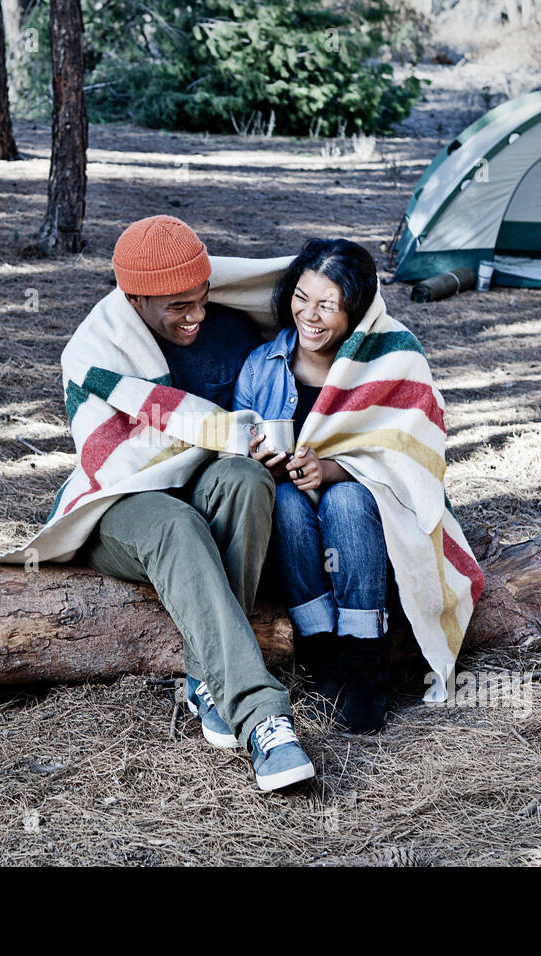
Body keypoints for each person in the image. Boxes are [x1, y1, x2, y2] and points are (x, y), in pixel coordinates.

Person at [69, 216, 316, 791]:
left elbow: (313, 319)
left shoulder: (229, 328)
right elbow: (128, 448)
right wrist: (225, 431)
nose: (196, 316)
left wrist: (259, 447)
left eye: (202, 299)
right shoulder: (96, 349)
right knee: (177, 524)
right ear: (135, 299)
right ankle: (263, 717)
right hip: (122, 505)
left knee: (247, 480)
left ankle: (207, 679)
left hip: (207, 487)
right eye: (179, 306)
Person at [233, 238, 396, 734]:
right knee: (283, 500)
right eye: (302, 297)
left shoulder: (381, 364)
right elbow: (235, 445)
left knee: (345, 500)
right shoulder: (263, 366)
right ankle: (320, 653)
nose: (310, 314)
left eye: (328, 305)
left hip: (368, 519)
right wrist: (261, 460)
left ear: (356, 310)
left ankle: (366, 662)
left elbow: (405, 453)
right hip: (293, 517)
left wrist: (333, 471)